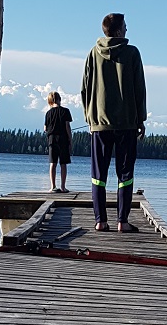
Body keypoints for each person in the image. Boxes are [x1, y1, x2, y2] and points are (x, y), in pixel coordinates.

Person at [81, 13, 146, 232]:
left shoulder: (93, 53)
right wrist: (141, 118)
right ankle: (122, 221)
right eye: (125, 27)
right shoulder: (132, 53)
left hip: (99, 124)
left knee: (98, 175)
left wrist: (89, 117)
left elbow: (85, 88)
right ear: (118, 31)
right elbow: (139, 89)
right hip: (127, 123)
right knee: (125, 174)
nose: (127, 30)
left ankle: (100, 221)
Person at [44, 91, 72, 193]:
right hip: (63, 139)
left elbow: (45, 128)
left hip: (52, 139)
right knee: (63, 163)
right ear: (60, 99)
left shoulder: (48, 113)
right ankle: (63, 187)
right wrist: (70, 140)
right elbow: (67, 127)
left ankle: (53, 187)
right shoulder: (65, 111)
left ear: (50, 101)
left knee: (53, 163)